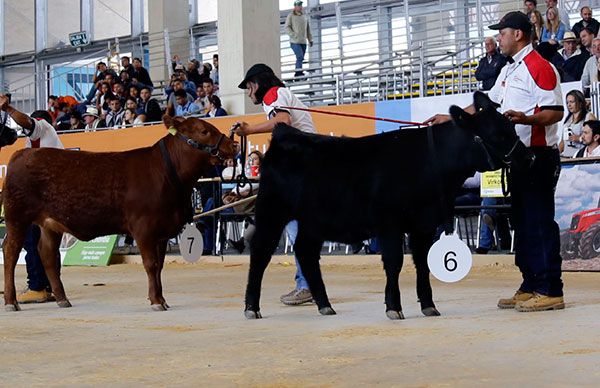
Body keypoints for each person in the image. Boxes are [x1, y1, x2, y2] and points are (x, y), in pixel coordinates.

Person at [427, 11, 565, 312]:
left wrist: (526, 118)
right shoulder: (508, 70)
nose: (497, 38)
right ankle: (530, 284)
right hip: (516, 158)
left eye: (501, 32)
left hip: (537, 156)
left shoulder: (540, 67)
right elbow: (486, 105)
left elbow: (556, 112)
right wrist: (449, 118)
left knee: (539, 221)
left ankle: (550, 288)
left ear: (518, 34)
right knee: (522, 221)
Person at [234, 63, 315, 306]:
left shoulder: (273, 94)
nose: (249, 93)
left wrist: (249, 129)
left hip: (301, 165)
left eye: (249, 88)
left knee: (293, 226)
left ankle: (306, 284)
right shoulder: (282, 94)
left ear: (258, 83)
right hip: (305, 163)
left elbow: (282, 120)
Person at [0, 93, 64, 304]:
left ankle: (37, 286)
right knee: (48, 243)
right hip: (51, 194)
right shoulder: (42, 141)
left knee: (31, 239)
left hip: (42, 197)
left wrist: (8, 109)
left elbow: (27, 122)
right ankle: (49, 286)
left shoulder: (42, 127)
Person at [561, 90, 596, 157]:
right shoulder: (567, 119)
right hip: (566, 157)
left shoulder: (589, 117)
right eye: (567, 102)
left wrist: (579, 139)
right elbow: (562, 142)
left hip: (580, 158)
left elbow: (596, 139)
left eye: (572, 102)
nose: (569, 105)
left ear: (580, 103)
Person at [285, 0, 313, 77]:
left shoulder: (304, 17)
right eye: (298, 5)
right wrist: (293, 35)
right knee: (299, 56)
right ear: (295, 7)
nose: (300, 7)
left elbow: (308, 29)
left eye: (301, 5)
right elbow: (287, 27)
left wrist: (310, 39)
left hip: (303, 41)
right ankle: (298, 73)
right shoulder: (290, 16)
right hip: (295, 41)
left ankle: (299, 72)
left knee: (301, 58)